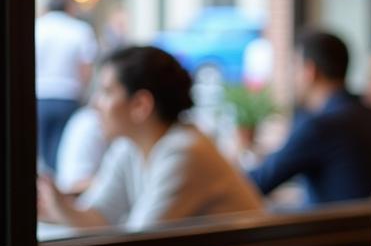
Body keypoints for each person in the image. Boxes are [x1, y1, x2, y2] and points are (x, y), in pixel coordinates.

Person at [37, 45, 263, 231]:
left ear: (141, 105)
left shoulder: (184, 151)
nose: (96, 104)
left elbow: (139, 241)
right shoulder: (129, 147)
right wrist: (58, 204)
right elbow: (99, 217)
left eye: (106, 92)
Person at [248, 30, 371, 205]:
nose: (291, 76)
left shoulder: (321, 126)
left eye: (294, 66)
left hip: (334, 230)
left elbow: (256, 183)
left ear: (310, 71)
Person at [36, 0, 98, 171]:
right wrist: (83, 92)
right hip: (68, 96)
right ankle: (56, 189)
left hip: (41, 94)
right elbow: (85, 67)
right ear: (69, 8)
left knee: (42, 149)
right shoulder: (79, 29)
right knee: (62, 149)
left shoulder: (37, 27)